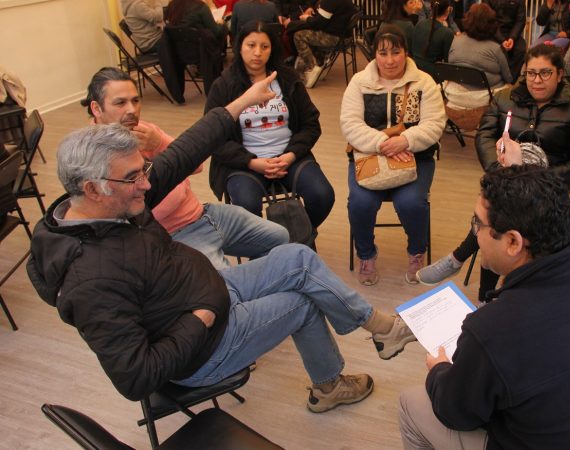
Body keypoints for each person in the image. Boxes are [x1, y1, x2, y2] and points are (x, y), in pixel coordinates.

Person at [26, 74, 417, 413]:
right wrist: (201, 319)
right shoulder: (90, 279)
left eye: (143, 171)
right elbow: (135, 377)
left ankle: (382, 329)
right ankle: (330, 387)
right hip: (203, 344)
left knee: (296, 256)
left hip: (204, 292)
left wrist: (244, 101)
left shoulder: (117, 201)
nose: (147, 183)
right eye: (134, 177)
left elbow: (188, 149)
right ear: (93, 188)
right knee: (302, 303)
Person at [399, 165, 570, 449]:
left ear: (513, 242)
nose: (475, 235)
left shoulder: (492, 328)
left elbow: (456, 412)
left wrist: (439, 371)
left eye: (477, 224)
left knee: (412, 402)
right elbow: (567, 224)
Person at [417, 44, 570, 300]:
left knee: (497, 222)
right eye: (531, 73)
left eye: (545, 73)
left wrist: (536, 177)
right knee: (497, 215)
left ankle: (461, 262)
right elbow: (485, 135)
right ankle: (485, 296)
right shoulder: (505, 98)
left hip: (547, 193)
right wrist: (500, 170)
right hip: (503, 181)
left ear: (560, 74)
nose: (536, 80)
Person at [82, 67, 289, 269]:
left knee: (280, 236)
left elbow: (196, 165)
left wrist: (158, 143)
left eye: (135, 100)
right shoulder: (91, 157)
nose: (131, 110)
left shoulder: (143, 130)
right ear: (96, 108)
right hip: (177, 235)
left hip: (203, 214)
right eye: (120, 103)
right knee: (222, 289)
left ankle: (257, 282)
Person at [340, 25, 446, 286]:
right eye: (383, 52)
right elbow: (350, 124)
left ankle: (416, 252)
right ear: (374, 53)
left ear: (405, 52)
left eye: (396, 52)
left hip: (416, 156)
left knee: (411, 203)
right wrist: (383, 143)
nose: (389, 60)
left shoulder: (423, 82)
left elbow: (435, 124)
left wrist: (405, 141)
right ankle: (366, 254)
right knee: (360, 203)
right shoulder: (359, 82)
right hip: (369, 157)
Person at [205, 21, 335, 233]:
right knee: (246, 205)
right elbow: (213, 138)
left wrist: (291, 155)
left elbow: (311, 124)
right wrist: (252, 162)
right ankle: (266, 245)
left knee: (322, 195)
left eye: (264, 47)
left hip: (289, 157)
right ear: (239, 47)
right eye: (251, 45)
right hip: (246, 163)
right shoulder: (224, 86)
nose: (257, 53)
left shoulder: (288, 79)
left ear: (272, 49)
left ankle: (297, 236)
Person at [444, 3, 514, 110]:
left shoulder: (455, 41)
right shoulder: (495, 48)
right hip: (484, 99)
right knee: (510, 88)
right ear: (491, 24)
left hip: (454, 96)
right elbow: (508, 78)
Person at [290, 0, 358, 88]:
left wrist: (306, 18)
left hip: (335, 38)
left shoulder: (330, 2)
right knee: (308, 32)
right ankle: (320, 64)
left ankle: (312, 69)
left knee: (298, 35)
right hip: (346, 37)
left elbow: (318, 23)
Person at [411, 0, 455, 76]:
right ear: (447, 10)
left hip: (414, 68)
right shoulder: (447, 33)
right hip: (433, 75)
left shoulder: (420, 24)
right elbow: (447, 61)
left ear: (431, 8)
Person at [484, 0, 527, 76]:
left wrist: (512, 38)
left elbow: (520, 21)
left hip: (512, 32)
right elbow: (488, 20)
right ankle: (498, 76)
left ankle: (511, 79)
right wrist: (502, 40)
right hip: (493, 31)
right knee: (499, 50)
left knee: (521, 49)